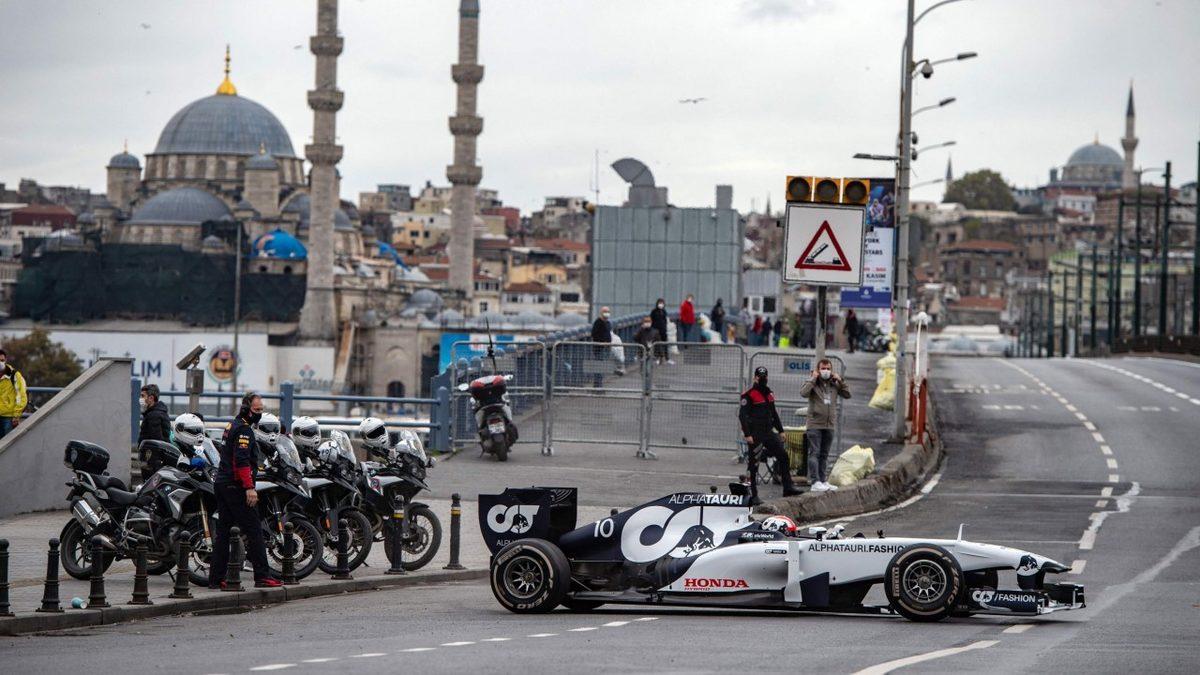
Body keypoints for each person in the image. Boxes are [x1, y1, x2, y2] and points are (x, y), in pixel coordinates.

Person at [208, 392, 282, 588]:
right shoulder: (244, 430)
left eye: (261, 410)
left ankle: (216, 579)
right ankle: (262, 576)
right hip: (235, 486)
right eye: (257, 410)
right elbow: (241, 461)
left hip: (222, 484)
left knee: (223, 533)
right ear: (246, 409)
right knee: (254, 530)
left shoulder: (232, 424)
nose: (259, 413)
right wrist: (249, 488)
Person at [738, 366, 802, 504]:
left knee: (783, 456)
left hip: (768, 432)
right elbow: (742, 416)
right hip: (755, 434)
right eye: (760, 377)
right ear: (755, 377)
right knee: (753, 465)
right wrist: (747, 434)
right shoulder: (749, 395)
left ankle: (788, 487)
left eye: (764, 376)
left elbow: (774, 413)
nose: (763, 379)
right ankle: (753, 495)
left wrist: (781, 431)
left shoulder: (769, 394)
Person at [798, 359, 851, 492]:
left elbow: (847, 394)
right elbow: (803, 393)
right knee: (814, 453)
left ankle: (823, 480)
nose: (826, 371)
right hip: (815, 424)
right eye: (823, 368)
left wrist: (841, 381)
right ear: (818, 370)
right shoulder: (813, 383)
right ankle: (815, 481)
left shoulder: (834, 385)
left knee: (824, 454)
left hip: (829, 425)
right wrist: (813, 379)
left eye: (828, 368)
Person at [136, 384, 172, 479]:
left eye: (143, 396)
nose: (141, 399)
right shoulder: (156, 413)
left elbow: (156, 441)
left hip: (153, 461)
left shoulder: (154, 416)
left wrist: (149, 462)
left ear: (151, 398)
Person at [0, 350, 27, 439]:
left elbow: (21, 396)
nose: (1, 363)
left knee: (7, 446)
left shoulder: (14, 375)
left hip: (9, 417)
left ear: (6, 360)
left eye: (2, 360)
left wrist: (16, 415)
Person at [650, 299, 670, 364]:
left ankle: (666, 358)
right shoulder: (654, 312)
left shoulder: (664, 311)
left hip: (663, 330)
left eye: (662, 303)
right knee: (657, 344)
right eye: (660, 303)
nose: (661, 305)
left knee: (665, 344)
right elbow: (651, 320)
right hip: (656, 330)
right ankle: (657, 357)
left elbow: (665, 320)